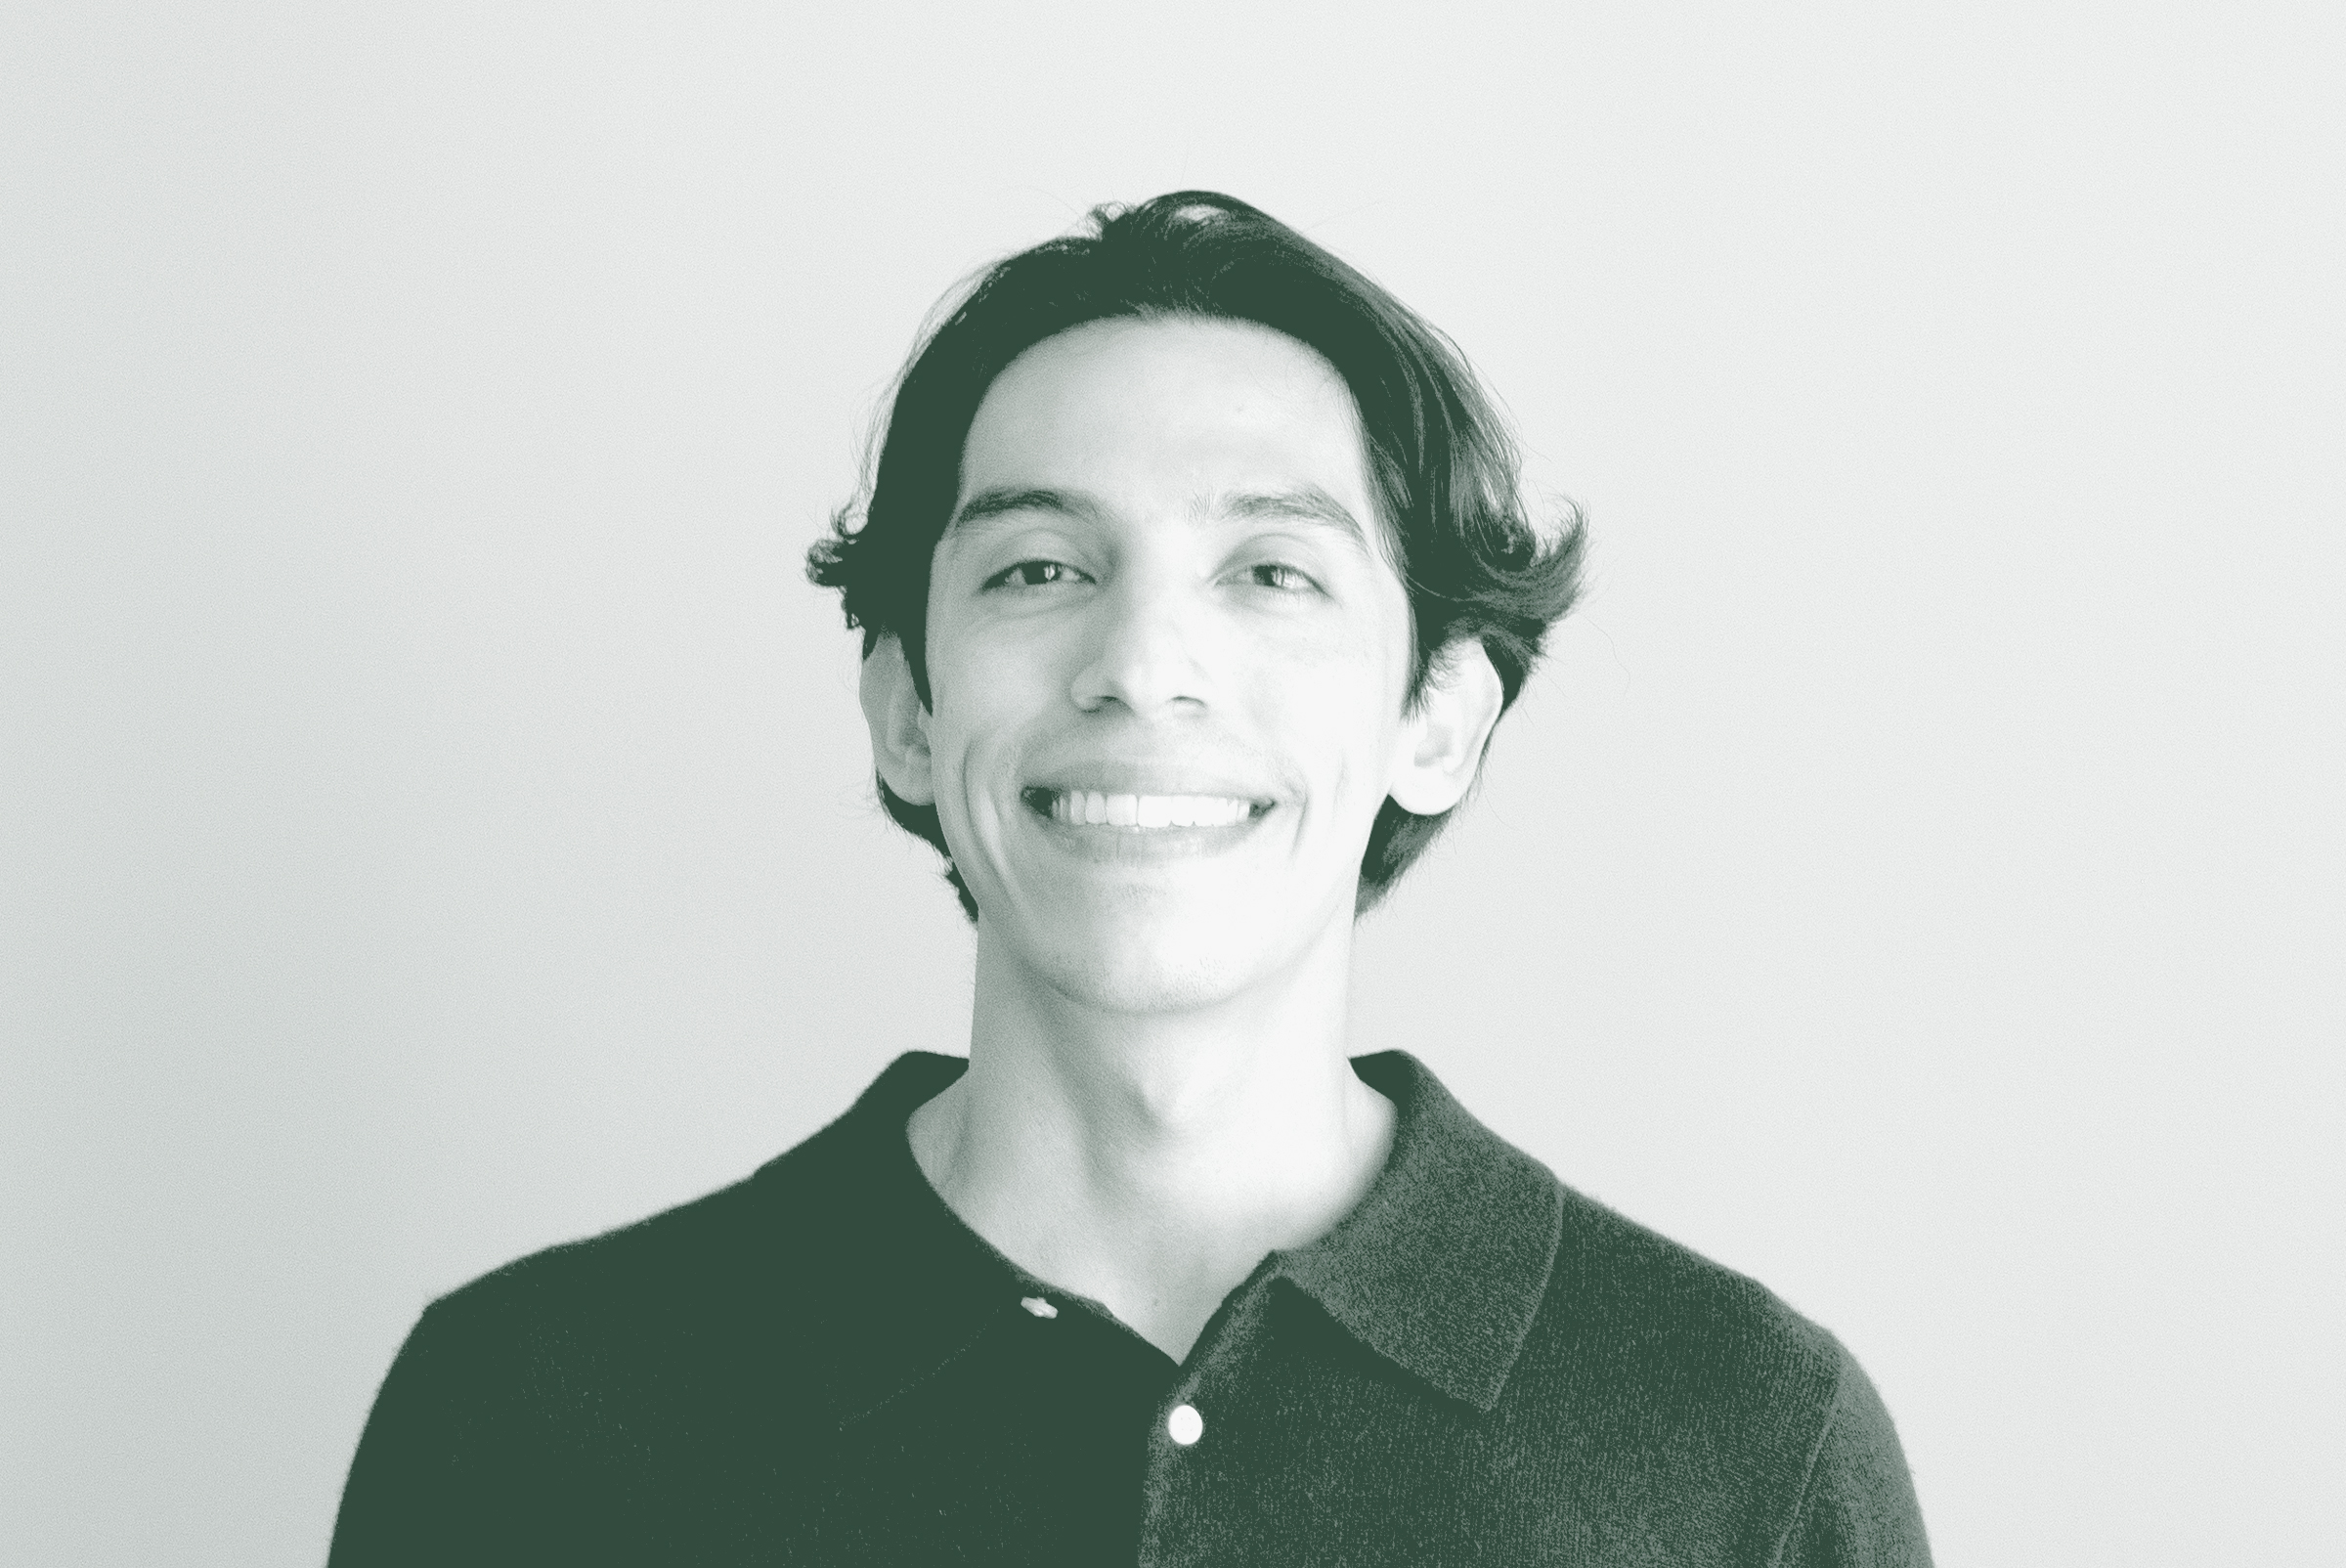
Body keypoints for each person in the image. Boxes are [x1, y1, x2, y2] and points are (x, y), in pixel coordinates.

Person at [328, 191, 1933, 1566]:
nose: (1143, 662)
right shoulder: (532, 1411)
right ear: (904, 708)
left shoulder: (1745, 1440)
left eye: (1272, 573)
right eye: (1041, 569)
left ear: (1437, 722)